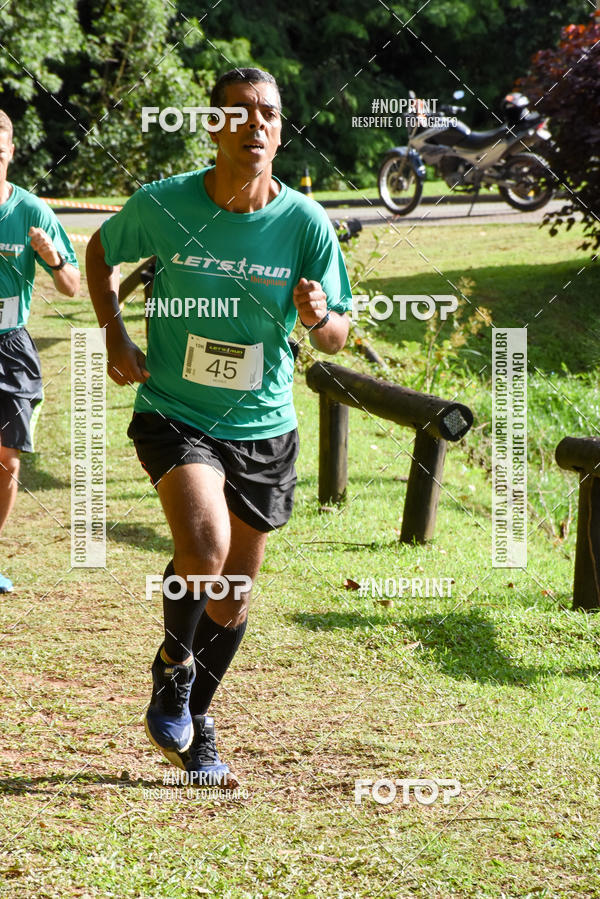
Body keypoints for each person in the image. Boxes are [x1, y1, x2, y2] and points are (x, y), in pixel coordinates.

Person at [86, 68, 352, 783]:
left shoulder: (305, 224)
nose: (256, 124)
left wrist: (319, 314)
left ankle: (193, 721)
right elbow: (101, 251)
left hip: (265, 424)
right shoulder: (166, 204)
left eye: (268, 112)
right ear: (213, 126)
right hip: (176, 412)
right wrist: (114, 332)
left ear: (280, 127)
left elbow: (337, 336)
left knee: (232, 596)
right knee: (205, 549)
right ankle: (173, 668)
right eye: (240, 112)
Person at [0, 110, 80, 593]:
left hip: (10, 344)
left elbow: (71, 285)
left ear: (10, 151)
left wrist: (51, 257)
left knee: (8, 458)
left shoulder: (31, 210)